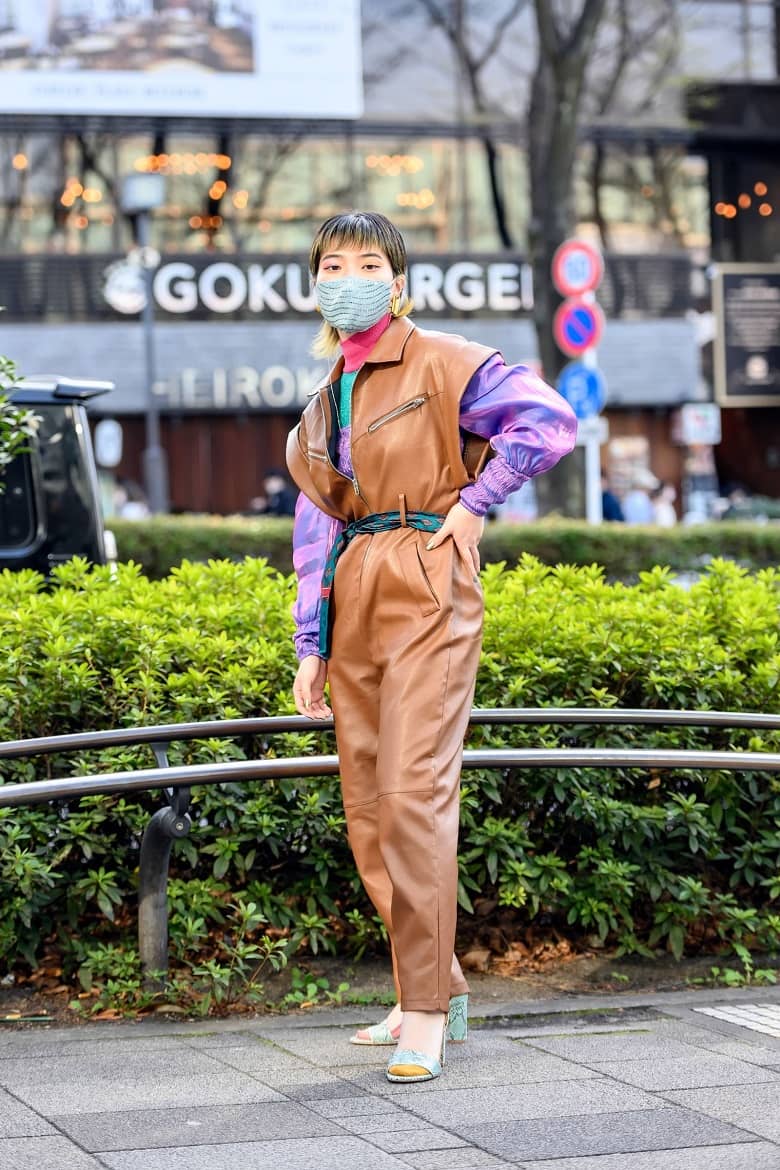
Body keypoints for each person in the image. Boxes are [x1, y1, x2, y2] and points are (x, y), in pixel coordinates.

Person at [286, 211, 577, 1085]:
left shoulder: (445, 361)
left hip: (426, 575)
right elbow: (313, 530)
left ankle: (421, 1013)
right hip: (354, 591)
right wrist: (312, 644)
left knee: (413, 793)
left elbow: (548, 421)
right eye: (333, 264)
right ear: (316, 285)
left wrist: (477, 498)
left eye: (368, 263)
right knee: (369, 807)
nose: (350, 278)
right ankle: (434, 986)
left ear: (400, 282)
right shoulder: (322, 401)